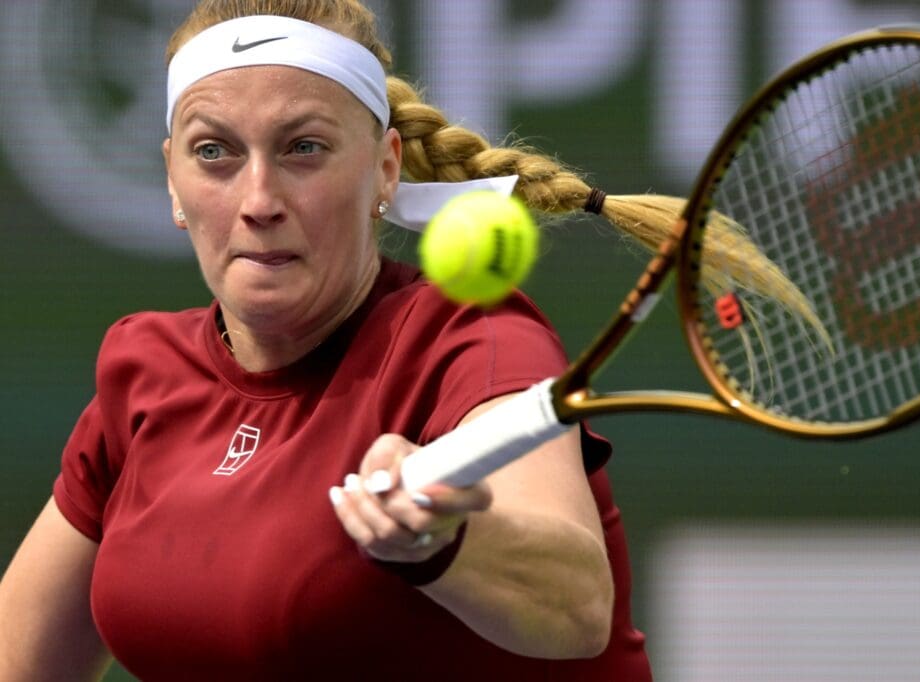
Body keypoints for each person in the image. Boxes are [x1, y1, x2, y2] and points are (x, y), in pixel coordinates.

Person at [0, 1, 663, 679]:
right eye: (214, 152)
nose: (259, 200)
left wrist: (442, 540)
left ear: (384, 169)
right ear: (174, 180)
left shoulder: (470, 337)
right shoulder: (144, 371)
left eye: (303, 148)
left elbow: (577, 605)